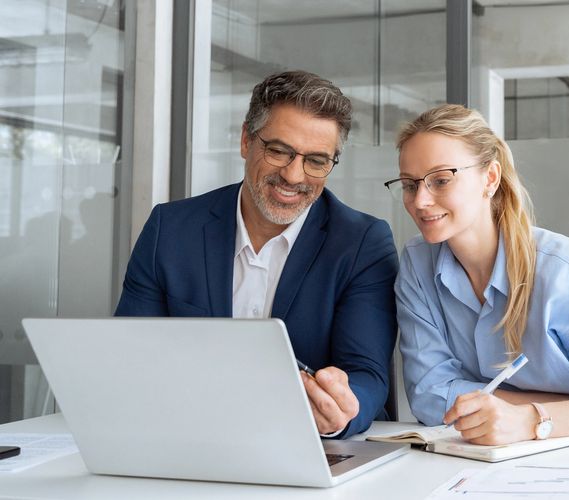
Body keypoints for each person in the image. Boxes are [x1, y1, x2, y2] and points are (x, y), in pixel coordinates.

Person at [115, 70, 398, 438]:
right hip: (186, 433)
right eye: (279, 151)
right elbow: (129, 354)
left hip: (299, 441)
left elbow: (367, 373)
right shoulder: (170, 229)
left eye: (316, 160)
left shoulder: (362, 242)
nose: (294, 176)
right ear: (247, 140)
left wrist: (341, 412)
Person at [387, 104, 569, 445]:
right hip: (486, 459)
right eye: (409, 184)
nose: (420, 200)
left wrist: (530, 420)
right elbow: (432, 396)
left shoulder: (566, 270)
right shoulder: (418, 266)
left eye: (440, 180)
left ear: (490, 179)